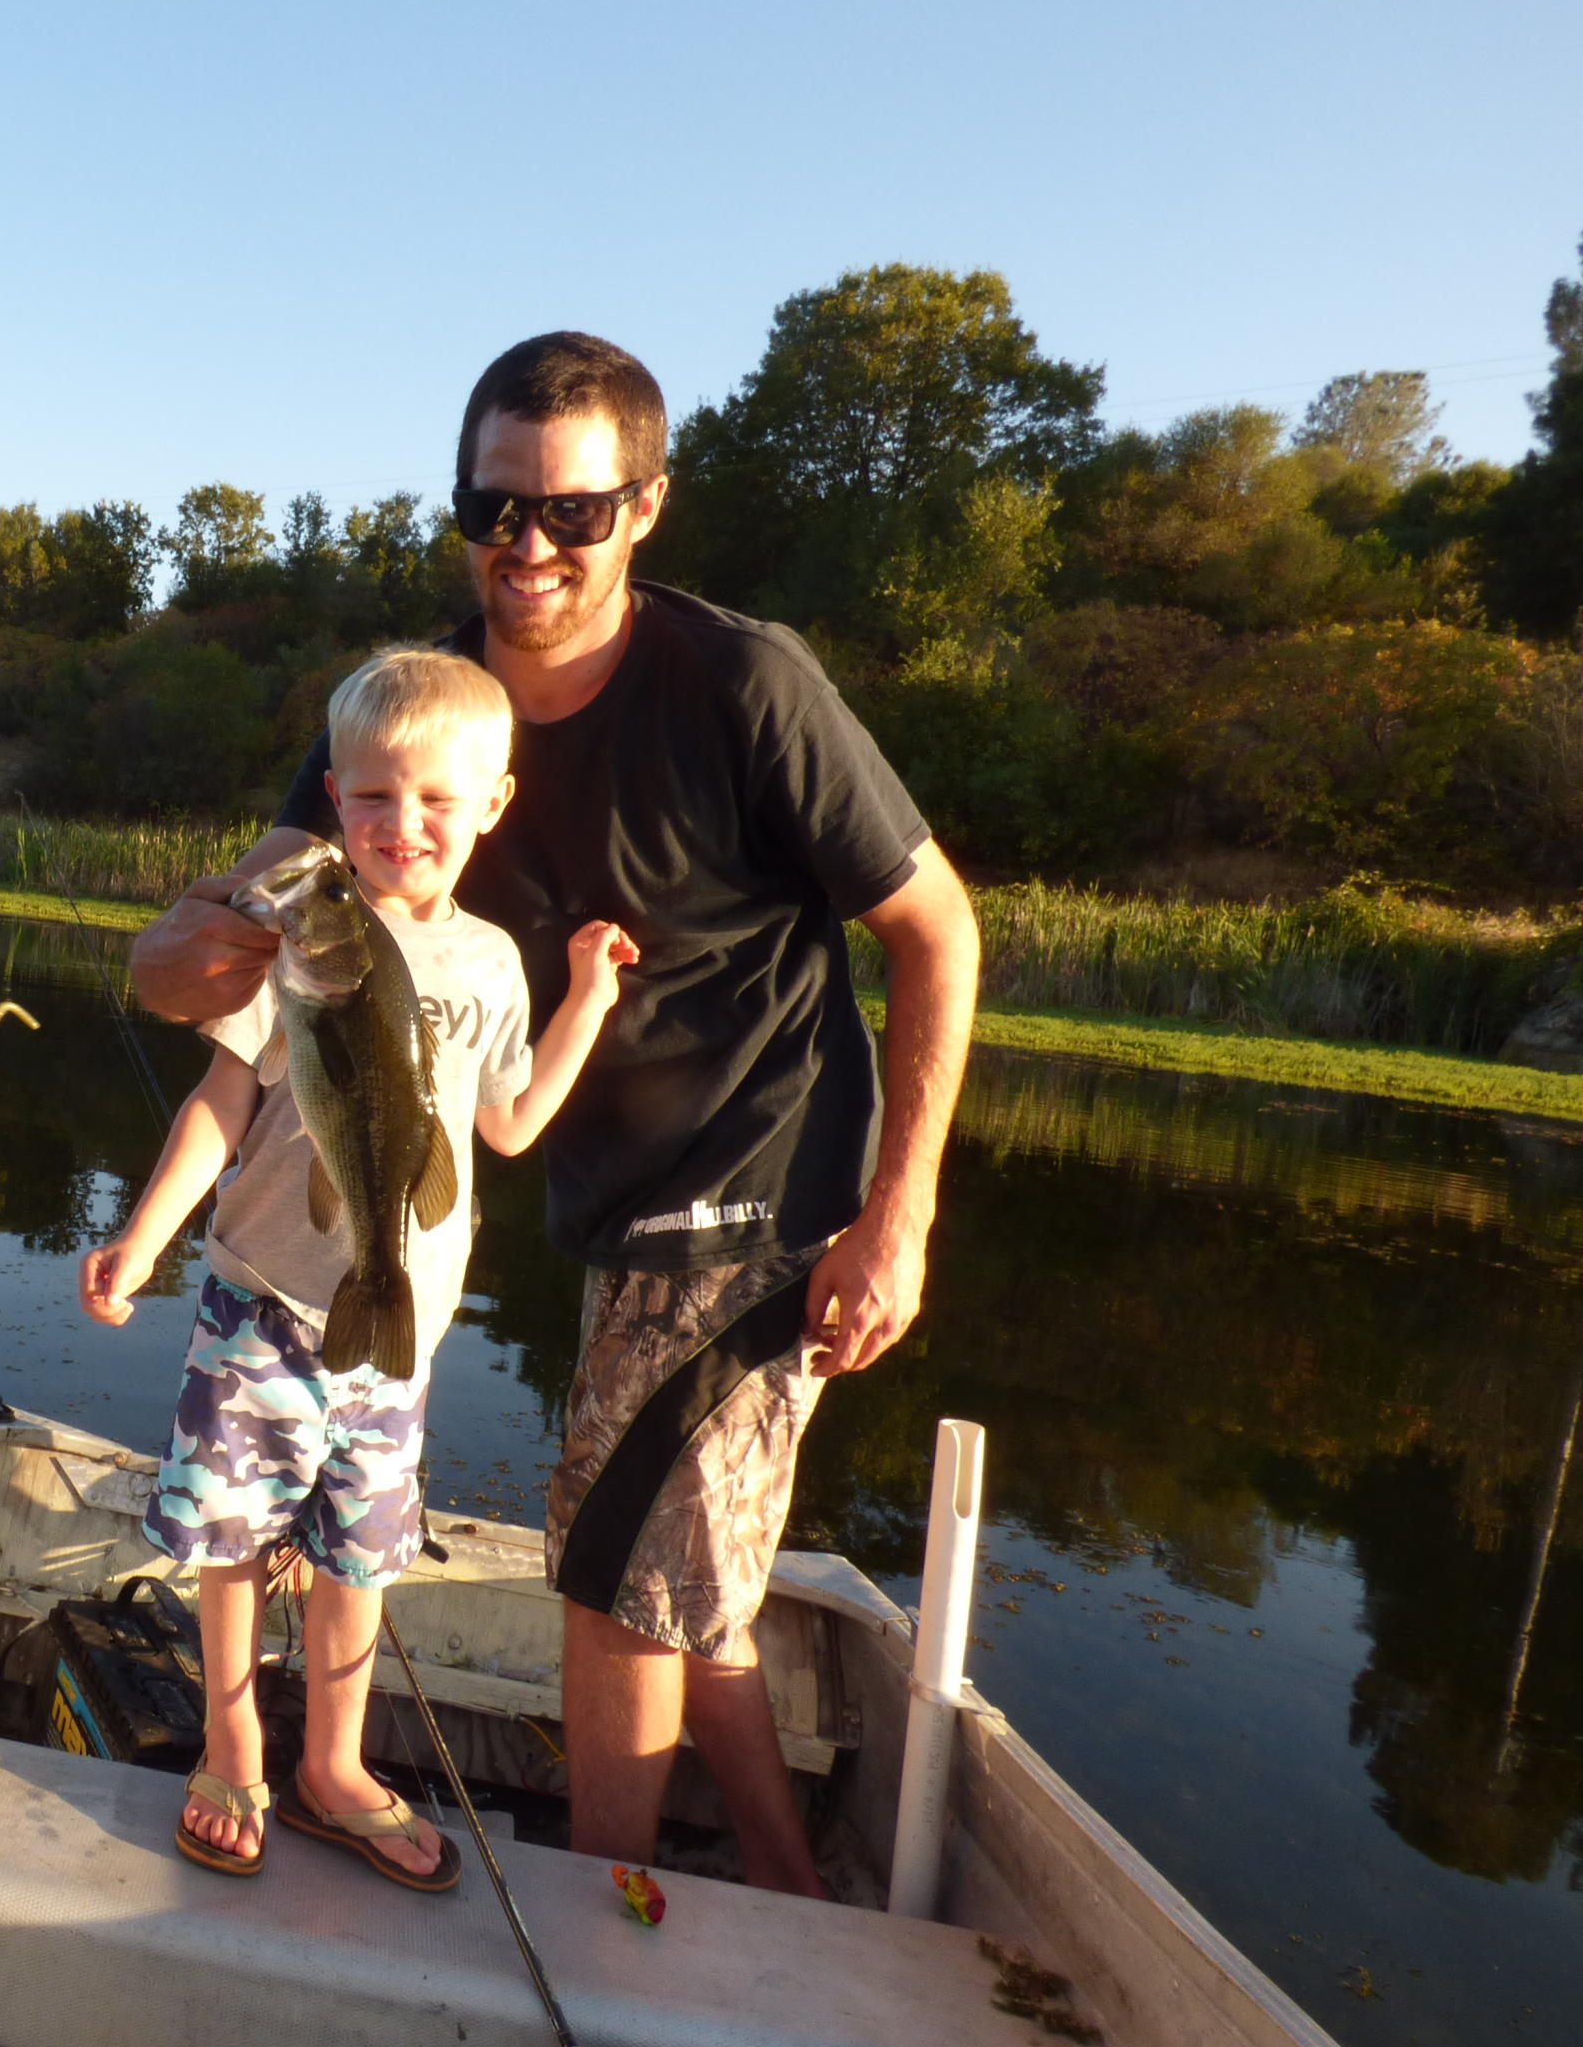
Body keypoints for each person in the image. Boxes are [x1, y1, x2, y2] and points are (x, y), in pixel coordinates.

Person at [130, 332, 981, 1895]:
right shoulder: (419, 723)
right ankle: (799, 1893)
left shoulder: (742, 681)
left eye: (573, 512)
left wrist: (900, 1211)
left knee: (609, 1577)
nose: (529, 544)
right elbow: (209, 944)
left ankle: (602, 1923)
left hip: (759, 1189)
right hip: (597, 1201)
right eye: (494, 505)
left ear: (645, 508)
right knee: (671, 1576)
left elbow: (937, 928)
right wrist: (192, 952)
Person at [81, 647, 638, 1890]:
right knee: (233, 1538)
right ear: (334, 798)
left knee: (361, 1556)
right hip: (262, 1304)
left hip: (402, 1321)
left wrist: (587, 1000)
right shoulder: (295, 939)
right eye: (374, 798)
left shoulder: (494, 960)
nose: (404, 826)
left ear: (492, 804)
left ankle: (334, 1763)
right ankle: (234, 1746)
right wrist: (146, 1235)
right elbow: (222, 1106)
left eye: (438, 800)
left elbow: (510, 1125)